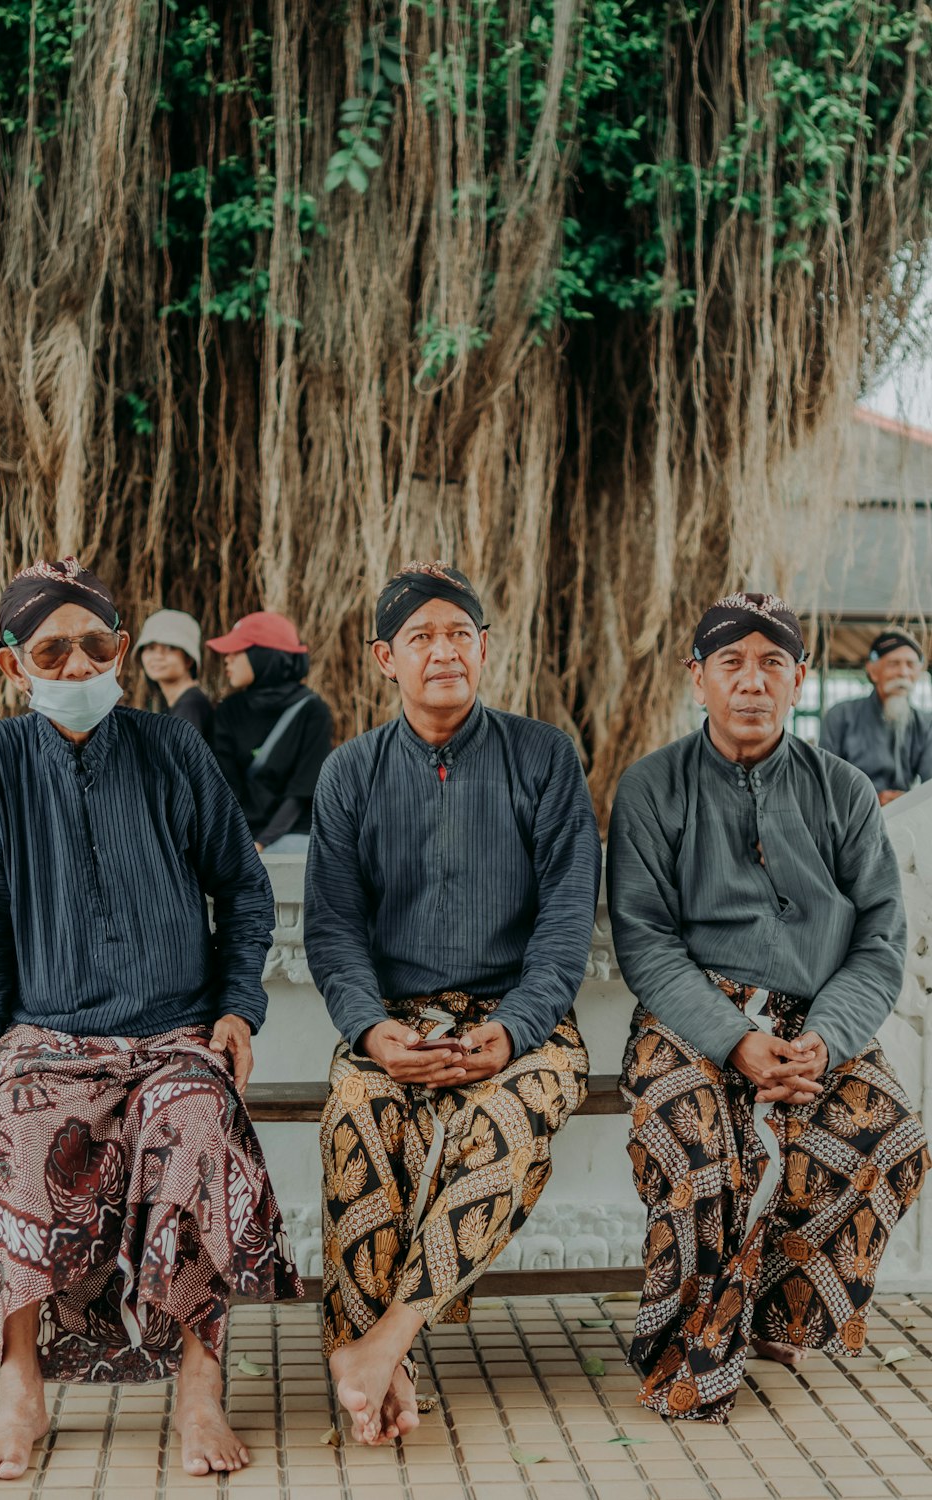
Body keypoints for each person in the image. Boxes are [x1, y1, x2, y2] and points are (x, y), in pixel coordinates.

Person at [0, 557, 301, 1482]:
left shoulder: (174, 748)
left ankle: (199, 1387)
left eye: (94, 646)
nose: (74, 667)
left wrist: (235, 1011)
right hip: (46, 1032)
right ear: (12, 663)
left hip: (174, 1029)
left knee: (196, 1122)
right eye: (50, 651)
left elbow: (245, 890)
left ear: (123, 652)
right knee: (16, 1127)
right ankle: (20, 1387)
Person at [607, 591, 928, 1425]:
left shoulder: (846, 791)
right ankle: (690, 1347)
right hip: (691, 1018)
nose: (751, 682)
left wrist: (825, 1037)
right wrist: (734, 1041)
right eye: (731, 663)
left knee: (888, 1127)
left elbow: (882, 940)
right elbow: (644, 941)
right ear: (698, 679)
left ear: (799, 679)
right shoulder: (651, 787)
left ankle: (776, 1314)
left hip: (816, 1020)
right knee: (695, 1139)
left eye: (772, 664)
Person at [304, 560, 601, 1446]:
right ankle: (378, 1373)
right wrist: (372, 1030)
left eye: (459, 634)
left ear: (485, 650)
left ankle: (381, 1346)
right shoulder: (349, 773)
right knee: (357, 1122)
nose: (444, 651)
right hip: (394, 1021)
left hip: (521, 1020)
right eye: (421, 636)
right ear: (383, 658)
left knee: (511, 1123)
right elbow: (332, 933)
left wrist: (513, 1032)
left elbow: (564, 931)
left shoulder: (544, 757)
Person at [208, 611, 333, 852]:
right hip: (241, 832)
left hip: (292, 832)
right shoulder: (227, 711)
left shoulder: (312, 710)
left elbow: (301, 791)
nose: (227, 659)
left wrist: (262, 843)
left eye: (237, 651)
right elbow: (226, 788)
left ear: (262, 656)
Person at [819, 627, 932, 805]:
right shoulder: (840, 716)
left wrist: (907, 801)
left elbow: (929, 786)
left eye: (910, 665)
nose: (903, 672)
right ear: (872, 671)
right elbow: (825, 781)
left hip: (906, 817)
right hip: (850, 816)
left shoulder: (926, 723)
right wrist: (870, 800)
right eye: (894, 663)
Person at [134, 607, 214, 741]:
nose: (157, 656)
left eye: (170, 648)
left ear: (188, 659)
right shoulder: (178, 703)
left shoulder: (190, 706)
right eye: (150, 648)